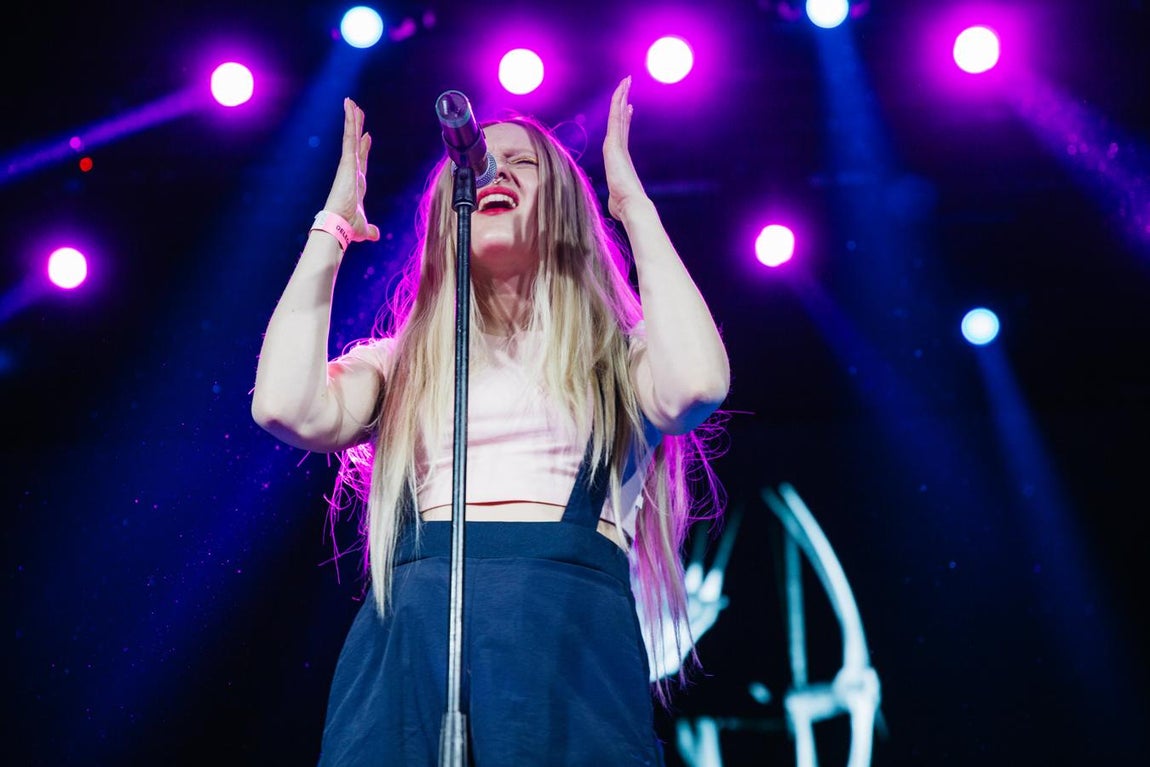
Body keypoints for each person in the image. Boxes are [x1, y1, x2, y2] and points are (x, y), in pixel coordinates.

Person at [251, 76, 730, 766]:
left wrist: (633, 208)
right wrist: (332, 229)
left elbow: (698, 383)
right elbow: (284, 406)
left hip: (567, 644)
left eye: (525, 164)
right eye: (477, 162)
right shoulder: (400, 363)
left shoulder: (622, 357)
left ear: (564, 209)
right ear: (452, 208)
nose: (494, 168)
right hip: (412, 649)